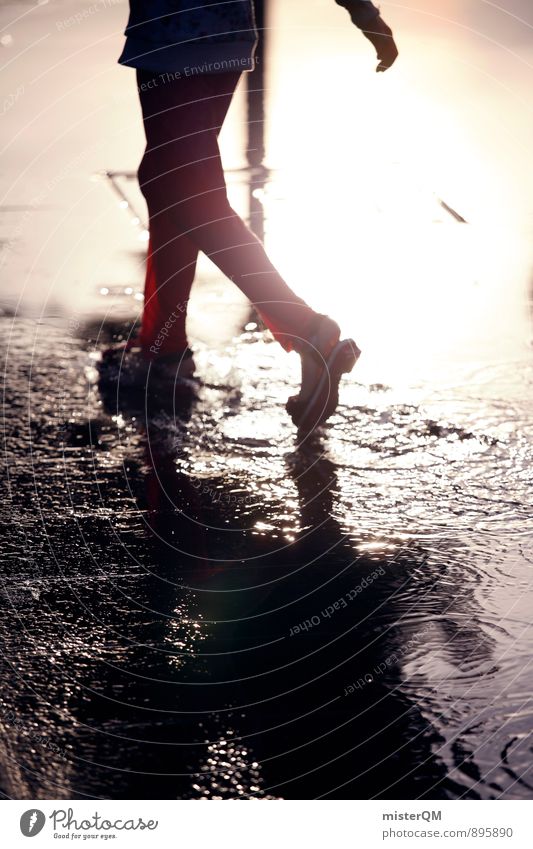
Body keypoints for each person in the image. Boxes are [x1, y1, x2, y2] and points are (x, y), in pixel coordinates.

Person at [111, 0, 398, 433]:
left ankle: (308, 330)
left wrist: (364, 13)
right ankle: (164, 349)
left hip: (175, 25)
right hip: (221, 25)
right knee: (175, 181)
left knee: (179, 186)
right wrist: (363, 12)